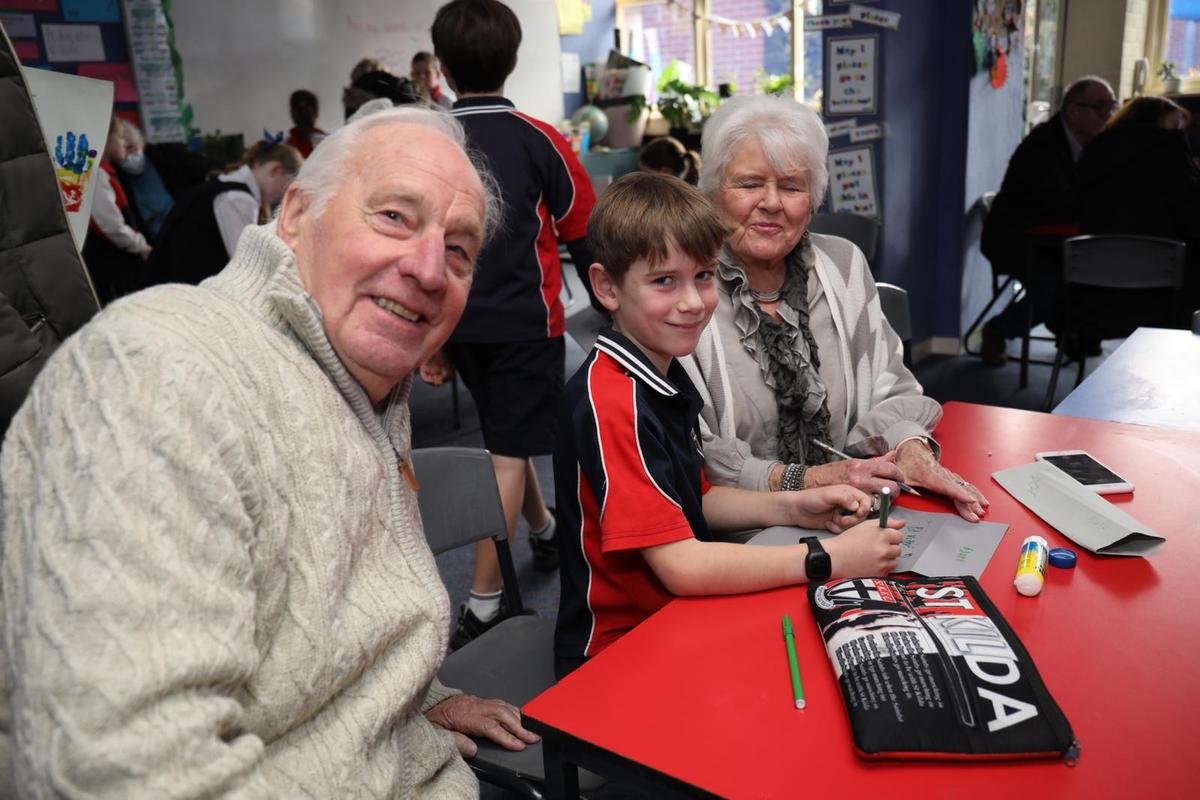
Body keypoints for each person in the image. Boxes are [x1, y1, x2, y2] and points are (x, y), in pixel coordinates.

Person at [0, 106, 538, 797]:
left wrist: (419, 698)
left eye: (459, 250)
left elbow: (321, 623)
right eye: (394, 218)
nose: (431, 269)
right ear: (296, 217)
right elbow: (123, 774)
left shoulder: (359, 378)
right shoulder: (158, 372)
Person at [553, 172, 904, 678]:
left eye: (703, 276)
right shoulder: (614, 400)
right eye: (664, 281)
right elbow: (682, 566)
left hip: (673, 618)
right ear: (607, 287)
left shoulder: (660, 369)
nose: (693, 302)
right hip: (618, 653)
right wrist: (828, 558)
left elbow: (695, 498)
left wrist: (798, 505)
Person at [680, 95, 989, 523]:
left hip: (851, 513)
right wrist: (809, 482)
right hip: (739, 533)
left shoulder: (843, 264)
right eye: (749, 184)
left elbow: (889, 385)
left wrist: (910, 449)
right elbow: (689, 453)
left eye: (791, 187)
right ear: (713, 191)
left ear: (813, 198)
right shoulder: (683, 290)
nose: (771, 202)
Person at [427, 0, 599, 648]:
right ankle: (485, 602)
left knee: (507, 434)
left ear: (442, 67)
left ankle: (545, 531)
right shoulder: (538, 137)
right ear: (514, 59)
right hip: (526, 324)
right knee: (506, 452)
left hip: (455, 322)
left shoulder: (428, 141)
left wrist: (430, 335)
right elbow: (583, 227)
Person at [979, 76, 1117, 365]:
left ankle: (1072, 332)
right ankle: (998, 329)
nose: (1108, 115)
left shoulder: (1094, 144)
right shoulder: (1042, 146)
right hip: (1016, 240)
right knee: (1049, 289)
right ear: (1073, 111)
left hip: (1056, 242)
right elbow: (1060, 203)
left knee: (1088, 276)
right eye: (1100, 107)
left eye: (1111, 107)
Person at [1076, 95, 1200, 324]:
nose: (1180, 131)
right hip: (1162, 295)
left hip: (1093, 293)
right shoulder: (1170, 151)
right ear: (1158, 124)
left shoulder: (1095, 151)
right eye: (1175, 126)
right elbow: (1190, 216)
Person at [150, 140, 302, 286]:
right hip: (180, 284)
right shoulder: (238, 198)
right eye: (288, 186)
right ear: (276, 170)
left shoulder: (230, 185)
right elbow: (246, 264)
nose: (284, 196)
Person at [84, 114, 152, 304]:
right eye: (120, 137)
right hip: (113, 266)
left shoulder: (107, 172)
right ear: (104, 138)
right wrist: (140, 245)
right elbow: (110, 226)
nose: (124, 143)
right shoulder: (96, 174)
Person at [113, 118, 210, 242]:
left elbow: (205, 171)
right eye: (121, 151)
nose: (126, 156)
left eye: (130, 147)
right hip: (159, 244)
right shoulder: (117, 180)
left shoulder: (169, 156)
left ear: (141, 141)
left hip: (193, 231)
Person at [285, 89, 327, 157]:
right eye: (300, 111)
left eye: (306, 112)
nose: (303, 114)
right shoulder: (284, 146)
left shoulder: (326, 142)